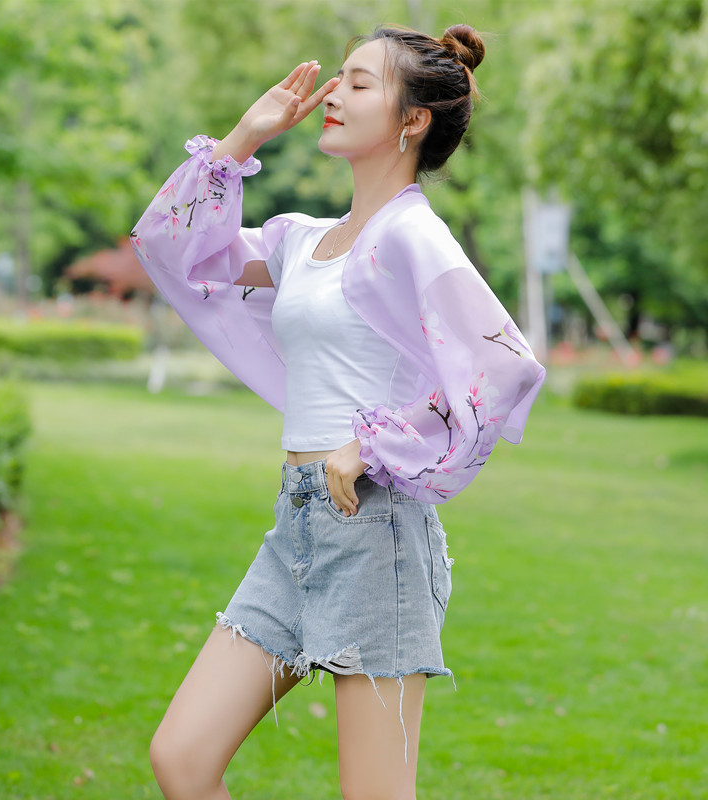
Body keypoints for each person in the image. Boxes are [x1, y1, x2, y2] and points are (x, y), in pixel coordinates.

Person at [131, 23, 545, 800]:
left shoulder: (413, 236)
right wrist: (244, 137)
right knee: (182, 759)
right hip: (296, 528)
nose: (334, 94)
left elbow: (503, 364)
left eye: (360, 83)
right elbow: (175, 248)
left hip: (374, 531)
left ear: (412, 120)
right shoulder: (304, 242)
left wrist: (376, 446)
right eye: (340, 78)